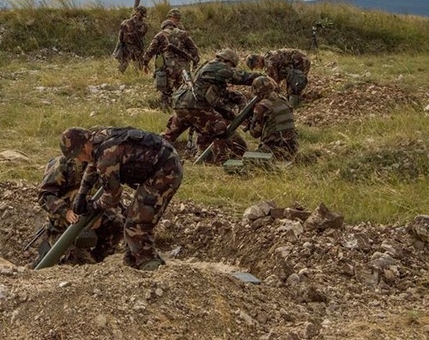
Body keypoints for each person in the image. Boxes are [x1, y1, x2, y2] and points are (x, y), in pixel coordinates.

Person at [60, 126, 183, 271]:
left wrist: (93, 206)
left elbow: (112, 198)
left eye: (77, 155)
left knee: (136, 226)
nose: (78, 159)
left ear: (84, 146)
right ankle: (134, 262)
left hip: (165, 172)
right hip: (162, 164)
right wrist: (82, 193)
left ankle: (150, 267)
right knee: (129, 218)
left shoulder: (107, 156)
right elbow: (93, 164)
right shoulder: (98, 139)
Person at [162, 49, 259, 163]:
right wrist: (262, 78)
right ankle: (220, 160)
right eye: (231, 66)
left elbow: (217, 95)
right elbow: (241, 77)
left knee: (170, 135)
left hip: (181, 105)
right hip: (196, 106)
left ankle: (155, 153)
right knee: (220, 129)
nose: (231, 68)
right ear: (227, 60)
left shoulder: (207, 68)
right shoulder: (218, 67)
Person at [33, 154, 125, 267]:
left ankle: (99, 261)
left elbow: (110, 196)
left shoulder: (102, 165)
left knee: (116, 223)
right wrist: (65, 212)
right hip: (65, 226)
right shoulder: (63, 163)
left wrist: (99, 217)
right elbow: (45, 195)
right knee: (80, 262)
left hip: (90, 219)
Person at [143, 19, 200, 109]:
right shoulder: (184, 34)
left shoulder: (160, 35)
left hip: (168, 68)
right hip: (184, 68)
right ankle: (183, 109)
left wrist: (145, 63)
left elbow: (150, 50)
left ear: (163, 27)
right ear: (173, 26)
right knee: (184, 90)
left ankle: (167, 110)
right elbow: (194, 49)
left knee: (166, 91)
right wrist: (194, 61)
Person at [246, 76, 298, 160]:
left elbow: (255, 134)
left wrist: (250, 123)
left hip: (274, 150)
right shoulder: (283, 99)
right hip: (292, 147)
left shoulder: (261, 106)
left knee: (247, 158)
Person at [246, 48, 311, 107]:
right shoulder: (268, 58)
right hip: (295, 64)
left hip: (301, 62)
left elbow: (273, 83)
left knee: (294, 85)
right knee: (291, 84)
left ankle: (294, 106)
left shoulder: (269, 62)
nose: (257, 68)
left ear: (258, 60)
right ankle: (293, 102)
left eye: (255, 66)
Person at [114, 6, 149, 73]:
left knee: (123, 64)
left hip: (127, 47)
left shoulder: (125, 22)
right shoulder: (144, 25)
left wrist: (120, 45)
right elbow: (142, 36)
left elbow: (120, 36)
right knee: (139, 66)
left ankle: (119, 77)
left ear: (136, 12)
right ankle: (138, 77)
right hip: (137, 47)